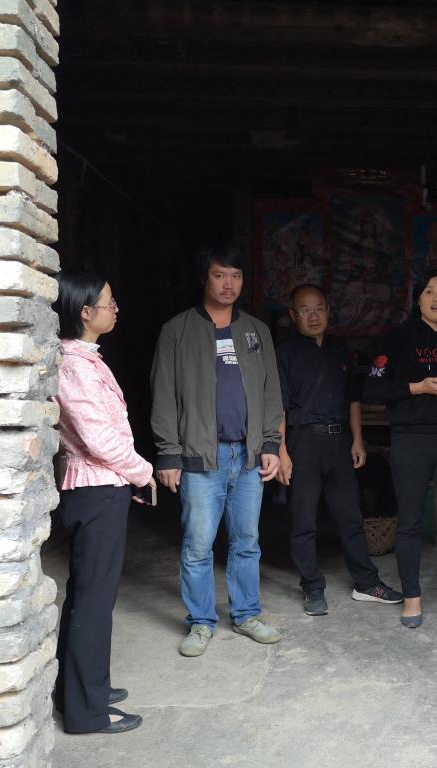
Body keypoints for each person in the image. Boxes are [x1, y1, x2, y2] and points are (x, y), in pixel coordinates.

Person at [150, 243, 284, 656]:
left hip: (247, 457)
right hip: (200, 457)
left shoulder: (256, 331)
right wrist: (168, 454)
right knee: (197, 545)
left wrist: (271, 444)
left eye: (236, 276)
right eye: (220, 275)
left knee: (247, 541)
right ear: (204, 278)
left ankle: (246, 614)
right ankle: (201, 621)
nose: (229, 284)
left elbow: (271, 392)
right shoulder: (177, 330)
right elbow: (163, 396)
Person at [51, 271, 155, 734]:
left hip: (100, 487)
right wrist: (142, 471)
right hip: (95, 490)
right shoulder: (74, 365)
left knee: (89, 596)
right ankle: (87, 712)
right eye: (109, 303)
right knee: (93, 601)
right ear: (84, 312)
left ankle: (81, 689)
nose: (115, 310)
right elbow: (99, 439)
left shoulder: (85, 358)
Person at [364, 269, 437, 641]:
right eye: (429, 291)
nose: (436, 298)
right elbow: (372, 387)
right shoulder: (398, 338)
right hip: (410, 437)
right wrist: (418, 388)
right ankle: (411, 598)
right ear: (417, 299)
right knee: (410, 522)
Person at [276, 284, 404, 615]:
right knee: (303, 520)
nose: (313, 316)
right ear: (293, 315)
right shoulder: (285, 354)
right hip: (303, 442)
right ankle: (312, 586)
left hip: (339, 442)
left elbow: (353, 398)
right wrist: (281, 451)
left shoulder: (340, 350)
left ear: (329, 311)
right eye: (305, 310)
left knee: (350, 517)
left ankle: (367, 583)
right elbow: (280, 408)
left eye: (319, 308)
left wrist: (358, 438)